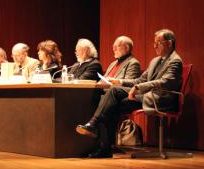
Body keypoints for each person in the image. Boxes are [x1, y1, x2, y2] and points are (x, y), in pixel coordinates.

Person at [76, 29, 183, 158]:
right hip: (145, 95)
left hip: (160, 99)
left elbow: (165, 82)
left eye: (159, 42)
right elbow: (140, 79)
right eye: (154, 43)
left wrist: (138, 87)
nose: (155, 46)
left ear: (170, 43)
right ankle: (104, 146)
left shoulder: (175, 61)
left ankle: (94, 126)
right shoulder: (155, 61)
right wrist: (120, 81)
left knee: (111, 96)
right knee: (110, 104)